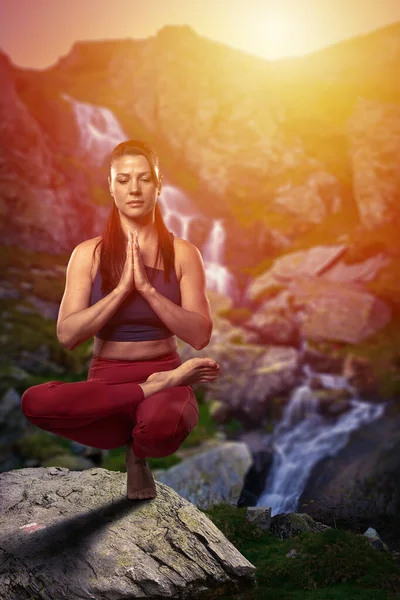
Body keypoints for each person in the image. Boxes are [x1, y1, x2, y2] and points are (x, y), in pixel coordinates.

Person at [21, 140, 221, 500]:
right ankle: (157, 391)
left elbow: (200, 334)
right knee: (34, 402)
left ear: (158, 186)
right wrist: (119, 292)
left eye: (144, 179)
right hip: (108, 386)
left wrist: (147, 289)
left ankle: (140, 449)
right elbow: (68, 335)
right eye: (124, 179)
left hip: (163, 368)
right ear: (111, 187)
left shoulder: (183, 253)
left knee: (160, 429)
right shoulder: (88, 254)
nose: (134, 188)